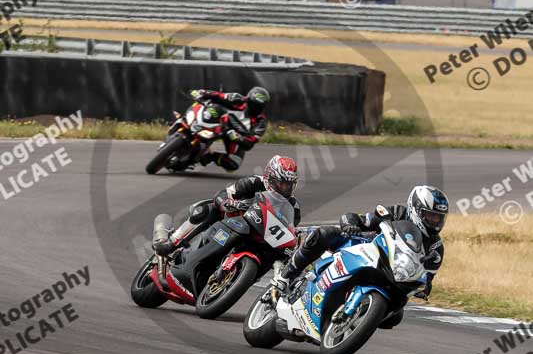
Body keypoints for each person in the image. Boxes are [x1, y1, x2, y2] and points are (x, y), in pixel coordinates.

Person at [270, 185, 449, 322]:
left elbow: (427, 278)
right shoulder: (397, 213)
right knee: (324, 234)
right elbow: (363, 219)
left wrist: (425, 288)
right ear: (416, 209)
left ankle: (351, 323)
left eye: (438, 218)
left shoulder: (436, 247)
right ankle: (286, 276)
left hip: (392, 275)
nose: (435, 222)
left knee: (395, 317)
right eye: (430, 215)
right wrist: (351, 223)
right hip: (364, 247)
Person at [153, 155, 301, 256]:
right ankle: (172, 242)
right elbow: (223, 193)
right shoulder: (254, 182)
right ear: (269, 177)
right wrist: (227, 203)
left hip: (257, 236)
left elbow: (290, 230)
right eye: (281, 183)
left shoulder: (293, 206)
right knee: (208, 208)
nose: (284, 188)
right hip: (230, 220)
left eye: (288, 184)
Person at [169, 87, 269, 172]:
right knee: (201, 107)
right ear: (248, 100)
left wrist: (237, 138)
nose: (255, 109)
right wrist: (201, 93)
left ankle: (209, 156)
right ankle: (182, 121)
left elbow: (250, 142)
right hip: (219, 119)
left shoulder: (261, 122)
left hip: (234, 134)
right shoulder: (237, 98)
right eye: (253, 105)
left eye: (259, 107)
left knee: (234, 164)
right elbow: (217, 95)